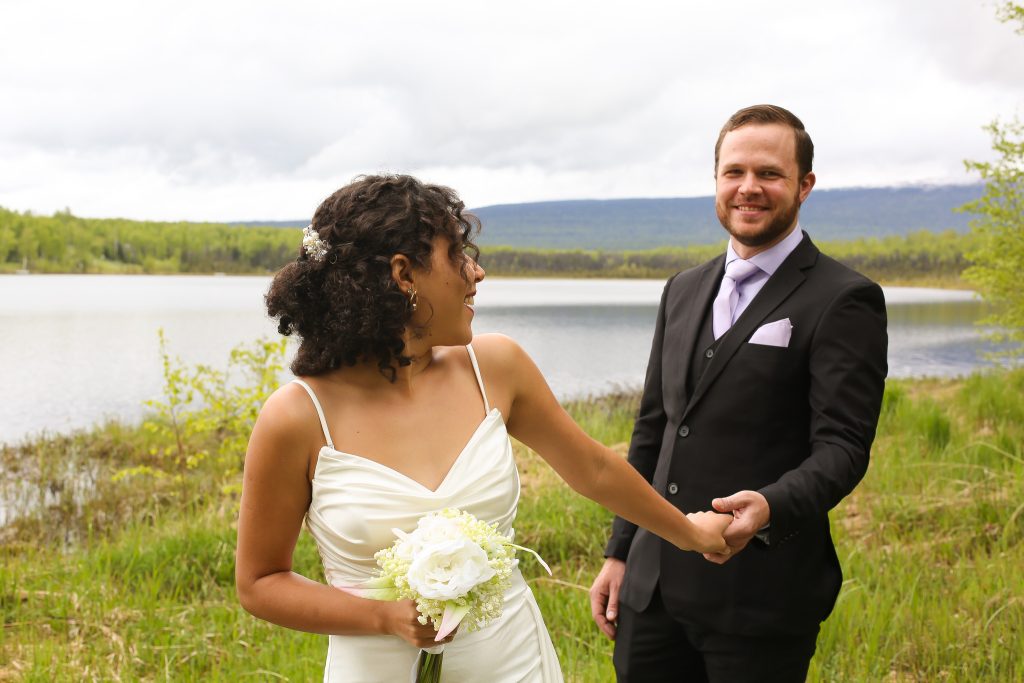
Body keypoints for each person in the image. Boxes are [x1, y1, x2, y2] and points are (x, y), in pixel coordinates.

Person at [234, 174, 733, 682]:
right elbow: (259, 582)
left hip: (511, 661)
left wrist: (692, 534)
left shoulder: (496, 366)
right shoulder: (297, 417)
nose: (478, 272)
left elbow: (594, 469)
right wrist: (382, 616)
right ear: (404, 274)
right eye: (457, 255)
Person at [589, 104, 888, 682]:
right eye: (734, 172)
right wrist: (620, 550)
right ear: (717, 181)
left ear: (804, 185)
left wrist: (770, 506)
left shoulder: (845, 298)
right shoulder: (682, 289)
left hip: (761, 598)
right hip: (652, 595)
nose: (749, 188)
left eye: (769, 174)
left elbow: (843, 448)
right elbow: (653, 431)